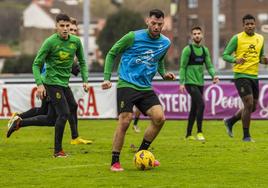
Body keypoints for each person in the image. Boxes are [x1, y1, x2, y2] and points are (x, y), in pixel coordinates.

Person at [101, 9, 175, 171]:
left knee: (159, 118)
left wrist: (163, 74)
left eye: (160, 24)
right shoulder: (132, 37)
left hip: (145, 87)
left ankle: (142, 153)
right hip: (127, 83)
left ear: (164, 24)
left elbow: (159, 58)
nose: (156, 27)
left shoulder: (165, 42)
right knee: (125, 120)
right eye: (153, 23)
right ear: (147, 21)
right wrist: (107, 77)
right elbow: (112, 53)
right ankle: (115, 161)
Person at [7, 13, 90, 157]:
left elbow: (82, 62)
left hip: (64, 84)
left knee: (52, 118)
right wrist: (40, 84)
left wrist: (85, 80)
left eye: (67, 26)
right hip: (51, 83)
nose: (65, 29)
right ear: (56, 27)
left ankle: (20, 122)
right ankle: (58, 151)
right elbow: (36, 64)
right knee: (64, 114)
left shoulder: (75, 42)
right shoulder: (50, 42)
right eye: (62, 26)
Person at [222, 14, 268, 142]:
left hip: (254, 75)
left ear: (255, 24)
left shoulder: (260, 38)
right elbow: (225, 55)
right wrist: (235, 59)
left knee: (253, 107)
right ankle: (246, 136)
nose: (250, 26)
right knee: (248, 103)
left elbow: (260, 58)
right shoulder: (237, 38)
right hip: (241, 75)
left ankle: (230, 121)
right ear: (243, 25)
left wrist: (266, 60)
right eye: (247, 24)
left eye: (252, 24)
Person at [179, 26, 219, 141]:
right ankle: (200, 132)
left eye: (198, 33)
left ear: (202, 35)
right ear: (192, 36)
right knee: (201, 104)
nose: (197, 35)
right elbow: (182, 67)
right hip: (189, 83)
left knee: (194, 108)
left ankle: (188, 134)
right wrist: (181, 83)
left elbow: (209, 66)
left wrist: (214, 75)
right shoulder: (187, 50)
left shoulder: (204, 50)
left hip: (200, 83)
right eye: (194, 34)